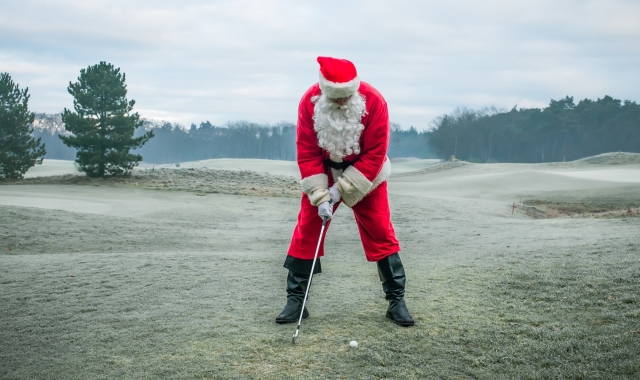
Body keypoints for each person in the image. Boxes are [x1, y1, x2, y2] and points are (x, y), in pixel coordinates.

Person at [275, 56, 414, 327]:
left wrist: (342, 190)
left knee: (381, 232)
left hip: (366, 174)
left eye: (346, 97)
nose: (342, 102)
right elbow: (306, 148)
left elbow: (375, 153)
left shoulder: (374, 101)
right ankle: (296, 301)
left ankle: (396, 301)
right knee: (307, 230)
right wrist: (319, 194)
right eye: (336, 98)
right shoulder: (309, 102)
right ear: (324, 91)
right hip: (323, 171)